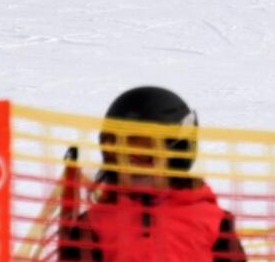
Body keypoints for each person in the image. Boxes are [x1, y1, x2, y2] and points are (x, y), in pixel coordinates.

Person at [59, 86, 246, 261]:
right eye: (119, 153)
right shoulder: (94, 224)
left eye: (143, 153)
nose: (131, 166)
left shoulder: (213, 221)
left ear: (176, 155)